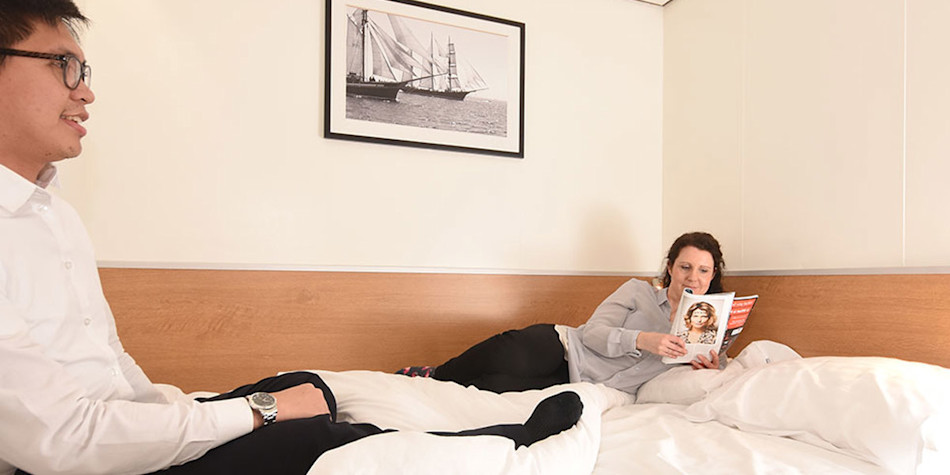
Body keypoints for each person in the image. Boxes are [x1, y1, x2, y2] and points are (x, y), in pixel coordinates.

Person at [0, 2, 582, 474]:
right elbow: (64, 440)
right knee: (315, 440)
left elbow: (113, 366)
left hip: (131, 438)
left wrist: (195, 414)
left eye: (85, 71)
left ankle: (448, 434)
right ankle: (502, 441)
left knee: (308, 388)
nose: (86, 92)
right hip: (85, 459)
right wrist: (260, 413)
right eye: (63, 66)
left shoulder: (55, 217)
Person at [397, 231, 727, 395]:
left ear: (712, 277)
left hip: (582, 383)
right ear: (670, 268)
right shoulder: (637, 291)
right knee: (509, 354)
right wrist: (643, 339)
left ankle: (432, 389)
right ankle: (436, 374)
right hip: (566, 348)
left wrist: (713, 365)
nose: (692, 277)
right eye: (685, 266)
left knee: (493, 388)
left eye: (703, 271)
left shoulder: (708, 325)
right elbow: (594, 333)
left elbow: (707, 376)